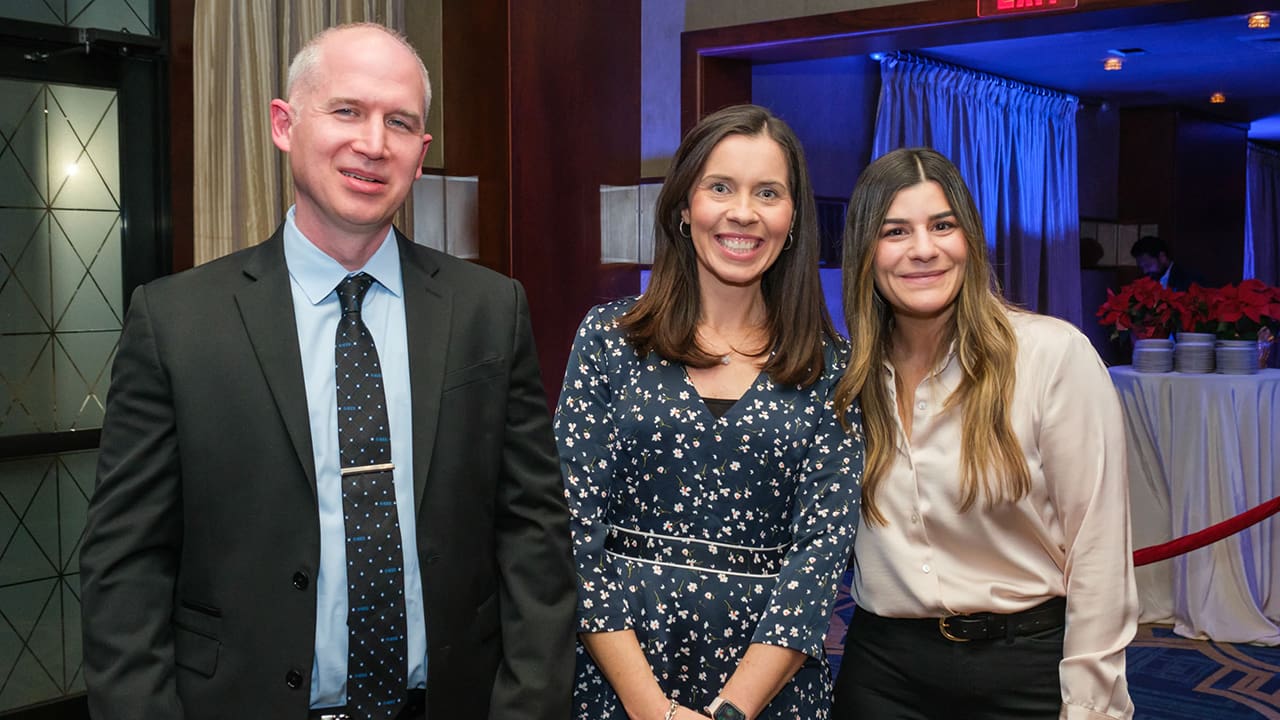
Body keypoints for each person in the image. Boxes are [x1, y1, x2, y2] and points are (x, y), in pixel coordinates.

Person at [79, 23, 575, 720]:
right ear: (285, 124)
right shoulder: (177, 323)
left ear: (421, 151)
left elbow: (534, 539)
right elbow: (125, 566)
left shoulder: (491, 310)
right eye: (347, 111)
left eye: (399, 122)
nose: (373, 144)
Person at [554, 104, 864, 720]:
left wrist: (731, 711)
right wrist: (653, 710)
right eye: (720, 187)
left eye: (768, 193)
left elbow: (821, 555)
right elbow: (571, 534)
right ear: (682, 207)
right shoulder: (609, 339)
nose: (743, 212)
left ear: (793, 217)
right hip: (620, 681)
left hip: (769, 692)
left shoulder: (832, 366)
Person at [830, 148, 1137, 720]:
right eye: (895, 231)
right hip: (882, 670)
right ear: (865, 253)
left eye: (942, 225)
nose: (924, 249)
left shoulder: (1050, 356)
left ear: (969, 238)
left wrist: (1094, 707)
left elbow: (1099, 554)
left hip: (1024, 666)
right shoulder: (847, 379)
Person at [1130, 235, 1199, 291]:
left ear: (1162, 257)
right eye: (1141, 267)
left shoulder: (1187, 277)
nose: (1145, 271)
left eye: (1148, 265)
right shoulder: (1147, 279)